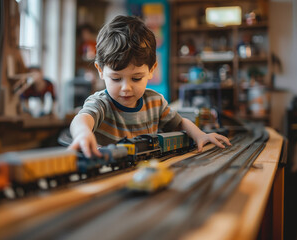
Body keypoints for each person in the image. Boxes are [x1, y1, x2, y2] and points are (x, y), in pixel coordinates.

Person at [68, 15, 231, 158]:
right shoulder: (101, 103)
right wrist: (83, 133)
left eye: (136, 78)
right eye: (116, 79)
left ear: (151, 70)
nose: (126, 88)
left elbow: (180, 122)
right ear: (100, 71)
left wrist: (200, 135)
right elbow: (82, 119)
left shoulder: (155, 101)